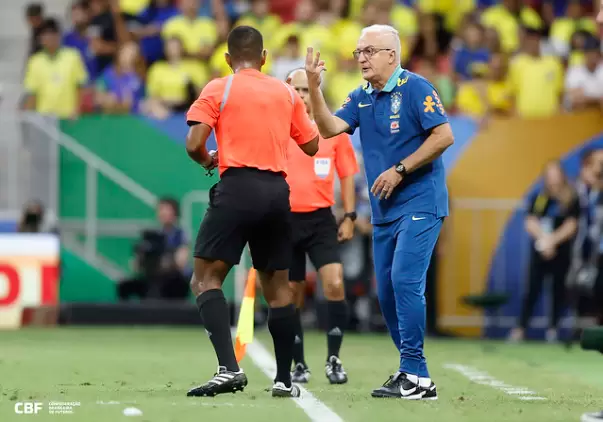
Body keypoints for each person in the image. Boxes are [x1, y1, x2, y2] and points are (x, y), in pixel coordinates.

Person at [305, 24, 454, 400]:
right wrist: (315, 88)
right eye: (358, 53)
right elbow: (328, 128)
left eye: (369, 51)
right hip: (385, 210)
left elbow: (443, 136)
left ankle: (414, 374)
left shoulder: (416, 87)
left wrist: (400, 168)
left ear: (392, 54)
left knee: (405, 281)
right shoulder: (361, 96)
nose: (362, 59)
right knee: (386, 294)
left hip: (421, 202)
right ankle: (416, 376)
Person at [184, 26, 319, 399]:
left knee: (206, 279)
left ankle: (229, 369)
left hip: (237, 187)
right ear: (264, 58)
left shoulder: (219, 87)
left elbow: (194, 143)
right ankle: (284, 380)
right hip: (277, 193)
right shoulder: (285, 91)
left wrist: (208, 159)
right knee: (278, 289)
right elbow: (310, 145)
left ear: (228, 59)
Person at [284, 69, 359, 385]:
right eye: (296, 89)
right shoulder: (277, 130)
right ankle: (298, 363)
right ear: (287, 91)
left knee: (335, 284)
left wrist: (350, 216)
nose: (301, 95)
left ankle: (334, 359)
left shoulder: (332, 131)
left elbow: (346, 174)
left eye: (306, 88)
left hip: (320, 220)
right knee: (292, 295)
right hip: (284, 222)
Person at [508, 162, 579, 343]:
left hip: (561, 251)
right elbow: (531, 221)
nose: (553, 178)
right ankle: (521, 328)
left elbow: (571, 224)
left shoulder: (571, 198)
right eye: (549, 174)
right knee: (532, 288)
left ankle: (553, 329)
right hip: (540, 251)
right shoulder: (539, 197)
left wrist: (553, 241)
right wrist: (544, 240)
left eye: (556, 174)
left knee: (558, 290)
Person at [117, 198, 190, 301]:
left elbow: (181, 261)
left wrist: (166, 261)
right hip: (152, 277)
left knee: (162, 287)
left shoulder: (180, 234)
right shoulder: (152, 236)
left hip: (174, 279)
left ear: (174, 213)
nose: (163, 213)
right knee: (124, 286)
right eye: (161, 209)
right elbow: (136, 265)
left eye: (167, 210)